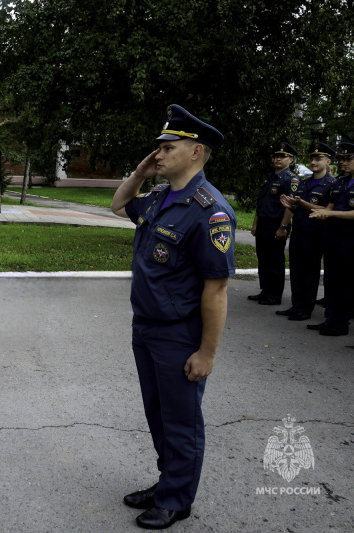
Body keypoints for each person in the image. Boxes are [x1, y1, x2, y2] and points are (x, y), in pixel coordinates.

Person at [110, 104, 235, 530]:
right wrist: (142, 172)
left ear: (196, 151)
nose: (159, 152)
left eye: (168, 146)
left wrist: (207, 352)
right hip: (145, 326)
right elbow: (117, 204)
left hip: (179, 334)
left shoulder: (209, 210)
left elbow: (216, 289)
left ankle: (177, 499)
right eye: (157, 147)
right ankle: (167, 481)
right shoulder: (161, 196)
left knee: (181, 420)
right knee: (157, 413)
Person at [277, 142, 335, 321]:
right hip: (299, 232)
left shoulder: (331, 184)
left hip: (316, 234)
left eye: (318, 158)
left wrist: (301, 204)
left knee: (309, 273)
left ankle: (305, 309)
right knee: (296, 271)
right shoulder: (304, 182)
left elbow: (325, 209)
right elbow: (298, 208)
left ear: (328, 162)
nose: (313, 161)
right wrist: (291, 206)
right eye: (311, 158)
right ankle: (296, 305)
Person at [307, 142, 354, 336]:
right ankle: (331, 318)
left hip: (350, 240)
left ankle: (341, 323)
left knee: (346, 282)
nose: (342, 162)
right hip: (334, 237)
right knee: (332, 280)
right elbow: (330, 207)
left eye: (347, 159)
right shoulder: (340, 182)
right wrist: (309, 208)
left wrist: (331, 214)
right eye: (341, 159)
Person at [248, 142, 298, 305]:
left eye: (282, 156)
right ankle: (265, 290)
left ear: (290, 159)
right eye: (276, 156)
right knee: (263, 258)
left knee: (275, 259)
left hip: (277, 224)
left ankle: (275, 294)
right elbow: (261, 202)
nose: (278, 159)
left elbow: (291, 206)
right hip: (263, 223)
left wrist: (283, 227)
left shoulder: (290, 179)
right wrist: (255, 223)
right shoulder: (269, 177)